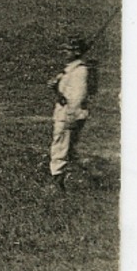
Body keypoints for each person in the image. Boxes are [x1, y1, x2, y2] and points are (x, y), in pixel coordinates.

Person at [47, 34, 93, 193]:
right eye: (64, 49)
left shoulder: (80, 72)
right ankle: (68, 177)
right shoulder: (69, 70)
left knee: (61, 146)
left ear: (76, 52)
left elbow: (77, 97)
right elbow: (64, 94)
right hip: (63, 113)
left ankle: (58, 183)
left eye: (68, 50)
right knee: (64, 147)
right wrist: (56, 87)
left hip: (68, 115)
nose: (64, 52)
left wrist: (70, 118)